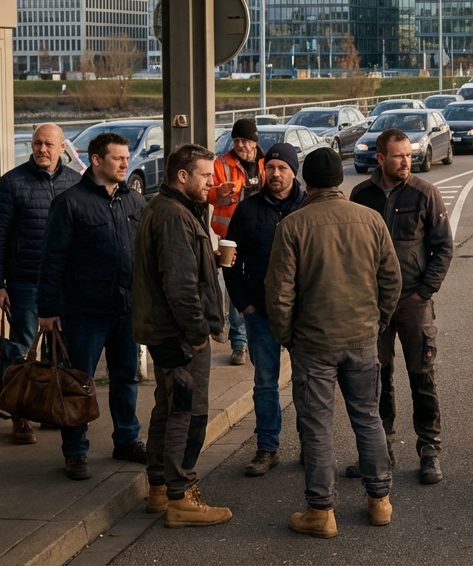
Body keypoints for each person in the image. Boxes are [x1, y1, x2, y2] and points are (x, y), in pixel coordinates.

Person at [265, 147, 401, 538]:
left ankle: (321, 511)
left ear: (306, 183)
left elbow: (279, 293)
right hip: (361, 337)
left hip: (313, 343)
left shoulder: (292, 225)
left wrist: (287, 336)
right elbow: (391, 280)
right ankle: (379, 502)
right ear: (339, 181)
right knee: (368, 417)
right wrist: (377, 323)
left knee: (318, 426)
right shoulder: (371, 219)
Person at [132, 143, 233, 528]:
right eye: (206, 176)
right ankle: (181, 496)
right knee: (186, 413)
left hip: (164, 330)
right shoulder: (173, 217)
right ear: (182, 177)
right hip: (178, 334)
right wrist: (197, 334)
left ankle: (159, 487)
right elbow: (179, 284)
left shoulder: (171, 208)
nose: (213, 181)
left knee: (168, 406)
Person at [39, 131, 146, 481]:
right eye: (118, 158)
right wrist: (47, 310)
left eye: (127, 158)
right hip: (84, 311)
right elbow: (52, 260)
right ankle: (75, 451)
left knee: (125, 378)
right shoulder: (70, 203)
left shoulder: (134, 201)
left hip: (126, 307)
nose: (125, 164)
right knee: (78, 382)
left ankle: (127, 440)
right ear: (97, 160)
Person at [350, 128, 455, 484]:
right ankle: (383, 449)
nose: (406, 161)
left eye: (409, 155)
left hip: (413, 302)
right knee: (377, 380)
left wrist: (424, 291)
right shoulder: (361, 195)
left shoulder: (425, 194)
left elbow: (443, 248)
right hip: (373, 305)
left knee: (422, 377)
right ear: (380, 158)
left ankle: (429, 451)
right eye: (398, 156)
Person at [0, 123, 81, 444]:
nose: (42, 149)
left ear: (61, 148)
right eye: (37, 143)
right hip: (25, 282)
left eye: (49, 145)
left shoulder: (74, 181)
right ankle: (21, 415)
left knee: (59, 352)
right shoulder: (11, 183)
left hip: (65, 284)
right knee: (22, 351)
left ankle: (50, 408)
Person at [222, 143, 307, 477]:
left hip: (302, 315)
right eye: (269, 167)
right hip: (260, 314)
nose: (274, 174)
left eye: (282, 168)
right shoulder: (248, 210)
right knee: (265, 384)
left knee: (307, 383)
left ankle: (309, 444)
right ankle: (267, 447)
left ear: (293, 172)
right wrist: (244, 304)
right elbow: (230, 261)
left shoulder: (308, 207)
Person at [211, 118, 263, 366]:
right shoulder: (221, 163)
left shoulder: (266, 163)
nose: (241, 145)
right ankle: (239, 344)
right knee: (234, 287)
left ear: (255, 141)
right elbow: (210, 194)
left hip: (262, 233)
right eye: (237, 140)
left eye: (245, 140)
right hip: (230, 235)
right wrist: (219, 193)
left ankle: (267, 333)